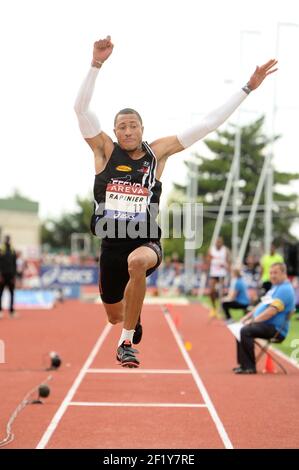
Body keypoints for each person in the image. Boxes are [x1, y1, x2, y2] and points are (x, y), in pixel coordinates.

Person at [74, 35, 277, 368]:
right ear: (114, 131)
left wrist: (247, 88)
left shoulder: (158, 153)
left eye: (133, 125)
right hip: (111, 243)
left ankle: (126, 344)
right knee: (114, 315)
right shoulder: (104, 151)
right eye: (121, 126)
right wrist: (96, 64)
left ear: (142, 128)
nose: (127, 131)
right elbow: (80, 109)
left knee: (137, 264)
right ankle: (130, 320)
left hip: (145, 240)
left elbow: (207, 124)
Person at [233, 263, 295, 374]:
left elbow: (271, 312)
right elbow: (261, 304)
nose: (272, 276)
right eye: (271, 273)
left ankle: (249, 367)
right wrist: (246, 317)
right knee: (240, 327)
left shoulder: (285, 289)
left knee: (246, 330)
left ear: (283, 273)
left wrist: (253, 321)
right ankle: (243, 365)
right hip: (266, 325)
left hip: (276, 329)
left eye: (275, 273)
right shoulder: (275, 287)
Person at [208, 237, 231, 318]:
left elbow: (229, 262)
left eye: (220, 242)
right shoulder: (211, 250)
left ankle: (220, 309)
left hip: (222, 274)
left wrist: (227, 268)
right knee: (211, 291)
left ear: (222, 243)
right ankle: (214, 308)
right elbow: (207, 260)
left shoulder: (225, 250)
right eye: (217, 242)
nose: (218, 244)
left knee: (221, 293)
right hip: (213, 273)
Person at [0, 236, 17, 318]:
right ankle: (0, 311)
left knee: (12, 294)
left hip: (11, 276)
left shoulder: (13, 250)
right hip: (2, 275)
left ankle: (11, 311)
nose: (8, 241)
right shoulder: (1, 250)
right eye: (6, 240)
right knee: (0, 293)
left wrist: (14, 276)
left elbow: (14, 264)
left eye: (8, 240)